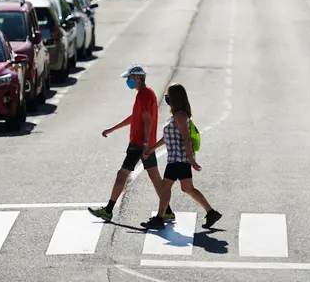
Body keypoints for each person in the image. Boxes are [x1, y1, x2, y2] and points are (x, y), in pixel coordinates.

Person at [88, 65, 176, 222]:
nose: (127, 81)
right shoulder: (147, 94)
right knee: (155, 178)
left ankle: (108, 210)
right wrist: (113, 129)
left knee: (122, 174)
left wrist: (143, 144)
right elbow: (135, 117)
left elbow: (148, 121)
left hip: (138, 145)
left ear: (137, 78)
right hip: (145, 144)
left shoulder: (143, 96)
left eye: (129, 78)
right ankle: (167, 211)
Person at [141, 83, 222, 230]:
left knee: (165, 187)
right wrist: (151, 149)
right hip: (177, 159)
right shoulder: (176, 116)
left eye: (168, 95)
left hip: (179, 159)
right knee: (187, 188)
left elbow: (186, 138)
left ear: (174, 98)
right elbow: (167, 138)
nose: (166, 97)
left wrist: (191, 160)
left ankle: (159, 218)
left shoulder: (180, 116)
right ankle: (211, 212)